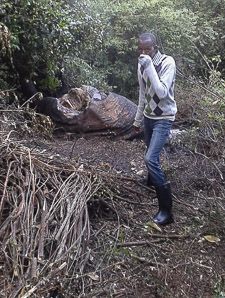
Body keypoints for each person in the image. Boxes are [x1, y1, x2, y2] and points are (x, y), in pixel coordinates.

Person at [133, 32, 177, 225]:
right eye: (141, 49)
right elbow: (143, 93)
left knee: (150, 158)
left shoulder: (168, 63)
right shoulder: (141, 63)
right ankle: (152, 181)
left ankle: (166, 211)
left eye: (148, 49)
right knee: (151, 155)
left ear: (155, 47)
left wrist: (149, 65)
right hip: (148, 118)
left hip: (164, 118)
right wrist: (137, 120)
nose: (144, 53)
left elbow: (161, 92)